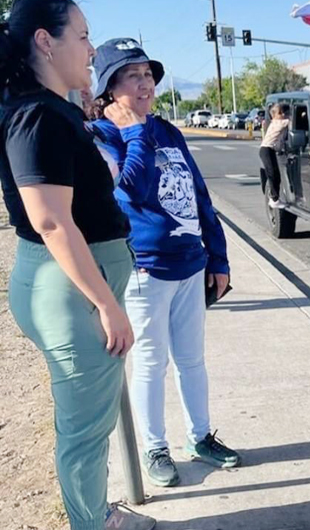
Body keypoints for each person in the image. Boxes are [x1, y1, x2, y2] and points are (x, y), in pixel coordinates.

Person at [0, 2, 155, 529]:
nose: (92, 49)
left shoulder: (49, 108)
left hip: (74, 284)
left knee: (86, 422)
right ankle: (94, 523)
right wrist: (107, 304)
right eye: (84, 36)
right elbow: (50, 222)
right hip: (73, 291)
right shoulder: (35, 115)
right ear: (46, 41)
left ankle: (95, 514)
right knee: (85, 431)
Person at [91, 38, 240, 489]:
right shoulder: (103, 135)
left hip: (190, 264)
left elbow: (200, 198)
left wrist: (218, 256)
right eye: (131, 76)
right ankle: (155, 447)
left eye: (148, 74)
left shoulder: (169, 131)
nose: (145, 83)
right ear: (108, 89)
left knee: (192, 360)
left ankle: (200, 437)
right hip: (144, 269)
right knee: (151, 362)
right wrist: (134, 132)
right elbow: (128, 191)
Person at [259, 103, 290, 208]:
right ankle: (274, 199)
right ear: (274, 116)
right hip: (266, 149)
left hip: (269, 150)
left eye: (283, 112)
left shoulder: (275, 122)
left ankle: (275, 198)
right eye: (280, 113)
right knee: (272, 174)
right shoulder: (278, 123)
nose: (283, 114)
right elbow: (292, 121)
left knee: (276, 174)